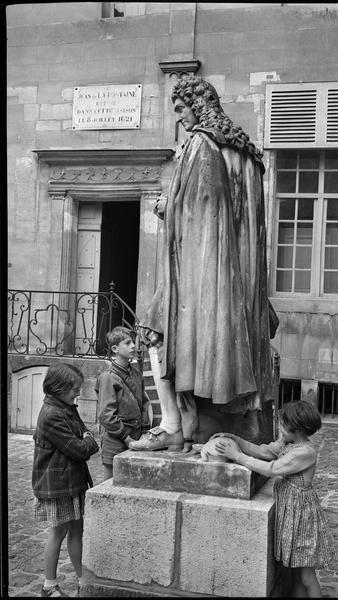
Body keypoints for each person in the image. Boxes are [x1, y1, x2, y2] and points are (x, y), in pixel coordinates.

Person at [131, 74, 277, 453]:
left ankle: (172, 425)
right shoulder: (245, 151)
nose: (179, 117)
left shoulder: (201, 142)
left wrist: (167, 208)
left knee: (153, 328)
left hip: (200, 270)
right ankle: (203, 424)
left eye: (181, 109)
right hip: (236, 279)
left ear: (198, 106)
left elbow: (203, 205)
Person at [213, 400, 338, 598]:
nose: (279, 427)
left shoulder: (305, 452)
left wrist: (237, 456)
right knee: (296, 573)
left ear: (297, 429)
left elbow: (272, 469)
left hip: (302, 518)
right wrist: (235, 439)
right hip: (292, 514)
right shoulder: (287, 443)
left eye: (283, 425)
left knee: (306, 574)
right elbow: (263, 451)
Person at [32, 363, 99, 598]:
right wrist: (88, 439)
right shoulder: (51, 414)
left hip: (73, 481)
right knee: (57, 533)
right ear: (59, 388)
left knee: (77, 532)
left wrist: (87, 438)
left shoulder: (67, 407)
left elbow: (85, 436)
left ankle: (83, 581)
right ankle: (48, 586)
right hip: (58, 485)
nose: (78, 393)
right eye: (75, 389)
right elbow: (80, 448)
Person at [96, 326, 151, 480]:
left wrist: (144, 432)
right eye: (127, 343)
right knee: (109, 484)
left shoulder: (136, 373)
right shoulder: (108, 377)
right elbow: (106, 415)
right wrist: (126, 438)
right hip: (116, 441)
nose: (133, 346)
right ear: (115, 349)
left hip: (137, 438)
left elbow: (144, 404)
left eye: (133, 342)